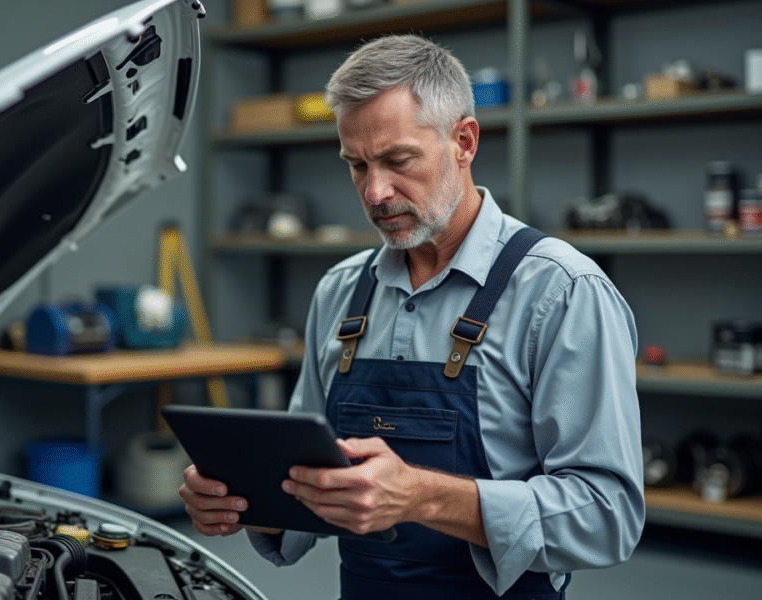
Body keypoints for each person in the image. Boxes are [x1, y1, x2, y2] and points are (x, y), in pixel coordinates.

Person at [180, 34, 644, 599]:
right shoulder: (341, 292)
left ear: (464, 141)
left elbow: (608, 514)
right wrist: (242, 498)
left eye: (398, 161)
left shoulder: (562, 292)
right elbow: (302, 481)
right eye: (357, 166)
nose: (376, 192)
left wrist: (423, 496)